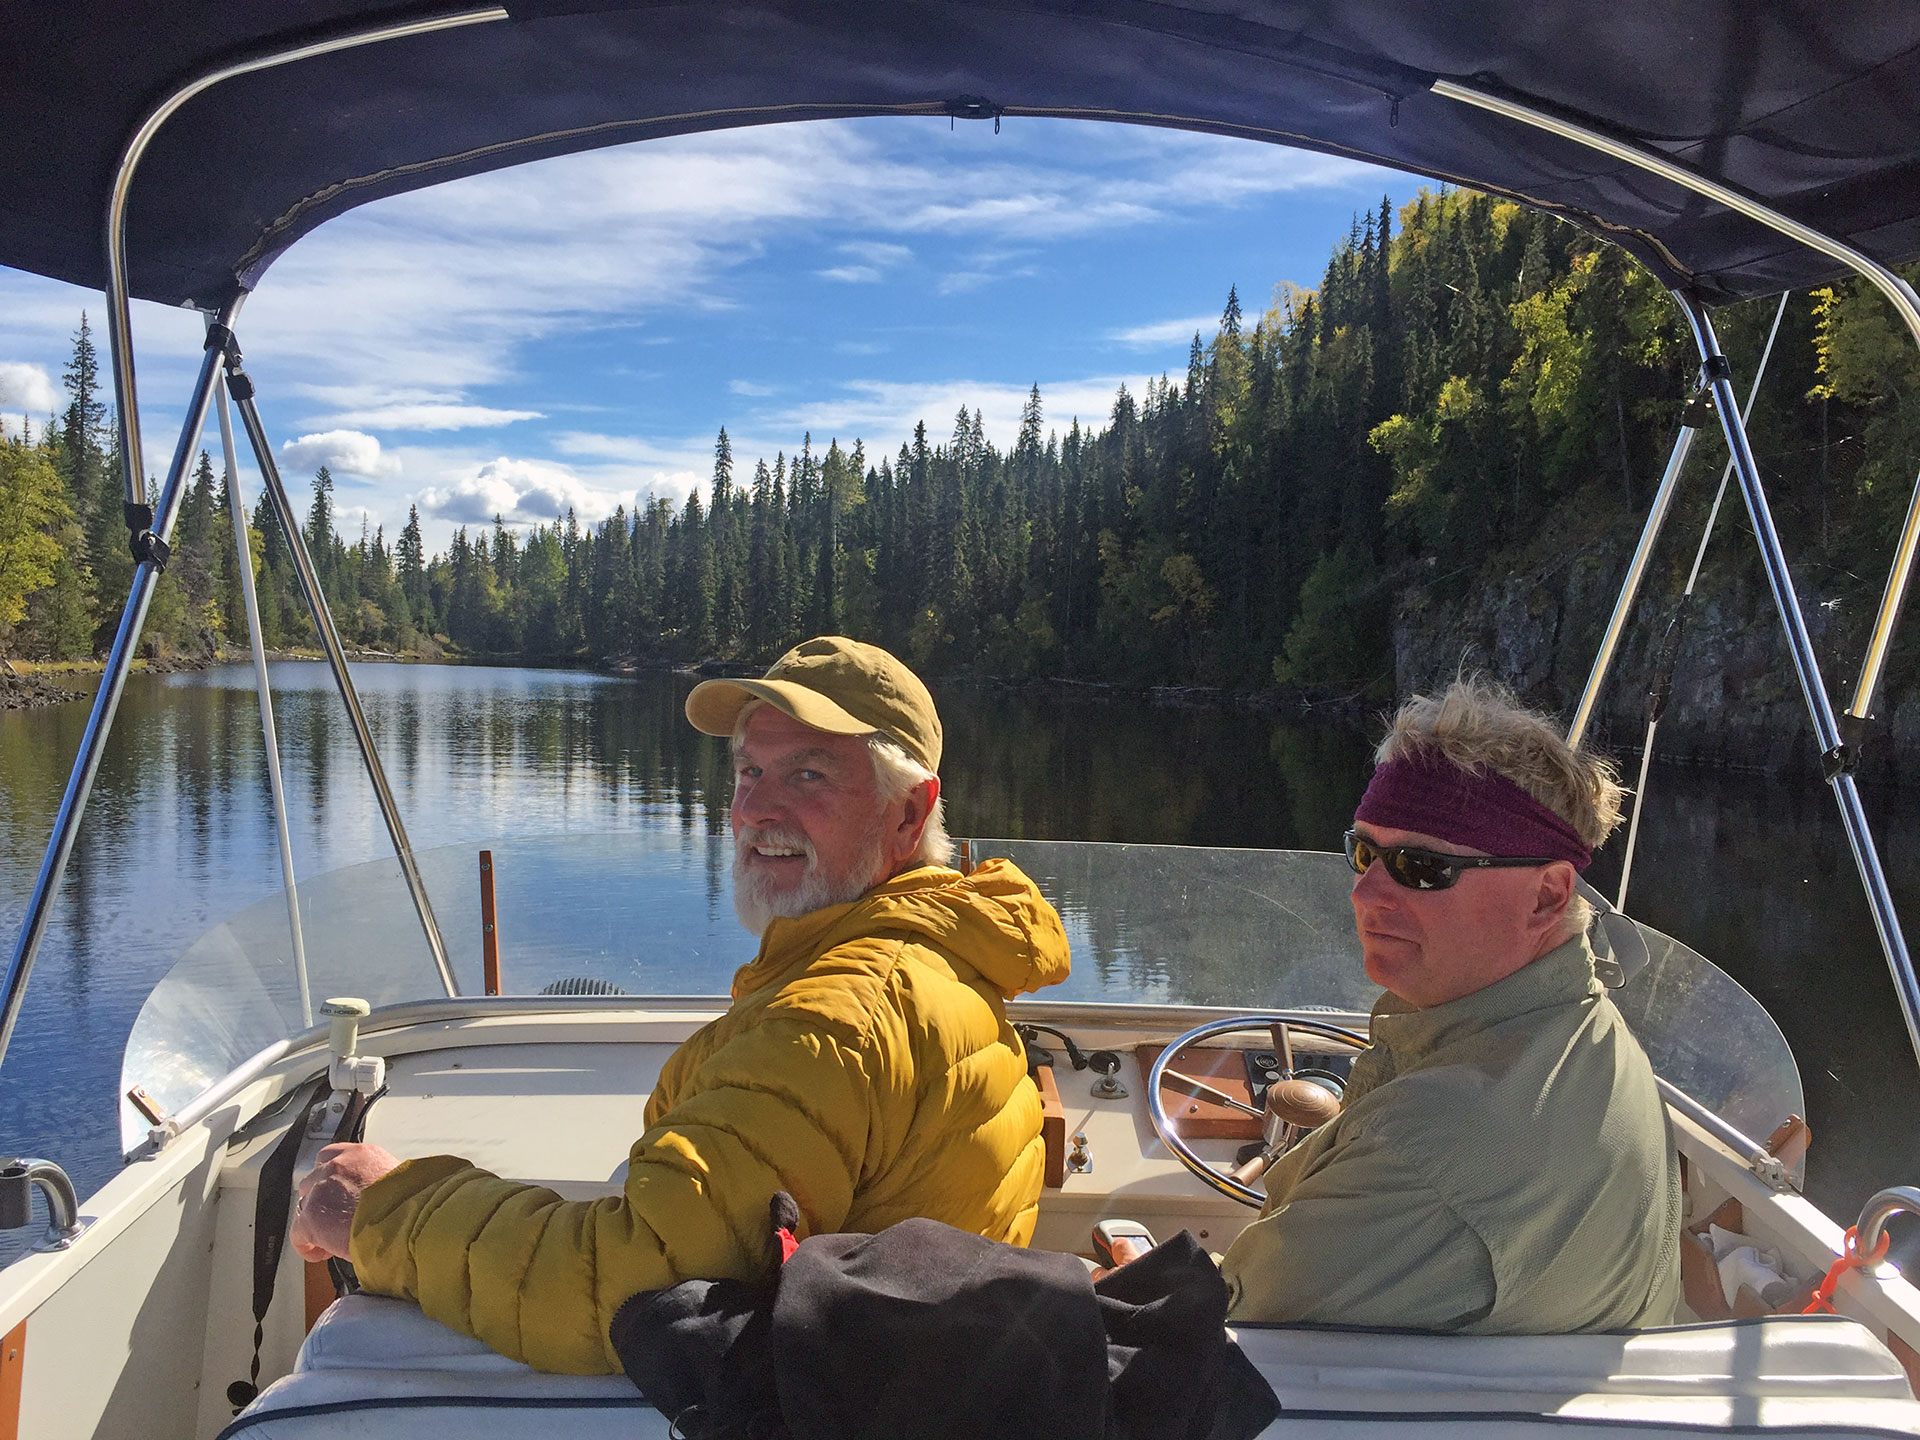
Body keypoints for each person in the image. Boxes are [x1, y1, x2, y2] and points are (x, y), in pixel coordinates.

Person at [289, 636, 1072, 1374]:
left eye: (808, 776)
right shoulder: (937, 949)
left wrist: (383, 1209)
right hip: (890, 1375)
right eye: (748, 772)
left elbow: (621, 1290)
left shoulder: (837, 1019)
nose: (754, 810)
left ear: (908, 813)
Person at [1209, 678, 1680, 1332]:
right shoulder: (1598, 1040)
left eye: (1423, 867)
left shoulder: (1421, 1151)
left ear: (1547, 895)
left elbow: (1215, 1326)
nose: (1365, 894)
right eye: (1364, 852)